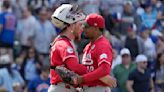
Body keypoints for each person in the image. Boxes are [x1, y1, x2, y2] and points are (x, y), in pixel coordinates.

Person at [49, 4, 116, 92]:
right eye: (80, 24)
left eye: (85, 26)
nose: (82, 29)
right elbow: (75, 67)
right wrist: (101, 76)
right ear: (72, 26)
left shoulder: (67, 43)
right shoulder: (63, 44)